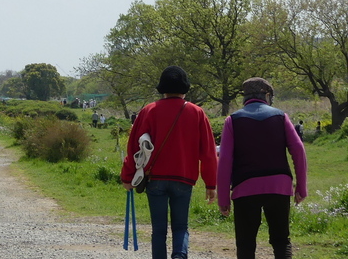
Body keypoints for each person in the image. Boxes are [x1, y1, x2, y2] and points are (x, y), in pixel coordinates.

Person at [121, 66, 218, 259]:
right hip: (184, 178)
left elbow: (133, 147)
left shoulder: (148, 111)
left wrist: (127, 176)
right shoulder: (197, 113)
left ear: (162, 87)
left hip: (155, 178)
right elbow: (208, 151)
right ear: (185, 87)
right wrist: (210, 183)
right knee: (181, 227)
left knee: (158, 230)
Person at [217, 78, 307, 259]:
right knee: (281, 240)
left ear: (244, 97)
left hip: (245, 188)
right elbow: (298, 150)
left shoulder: (232, 120)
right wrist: (301, 187)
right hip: (279, 186)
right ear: (267, 96)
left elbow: (225, 160)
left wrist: (223, 198)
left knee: (246, 243)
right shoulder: (281, 117)